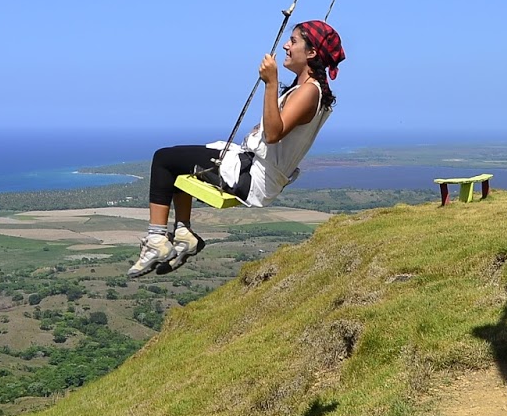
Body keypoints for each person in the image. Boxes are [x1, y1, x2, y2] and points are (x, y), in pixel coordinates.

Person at [127, 19, 345, 277]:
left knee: (164, 159)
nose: (286, 45)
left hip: (252, 177)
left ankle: (156, 241)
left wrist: (271, 83)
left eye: (294, 41)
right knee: (178, 162)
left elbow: (274, 134)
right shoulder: (308, 89)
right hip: (257, 171)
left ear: (311, 53)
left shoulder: (309, 91)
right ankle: (183, 234)